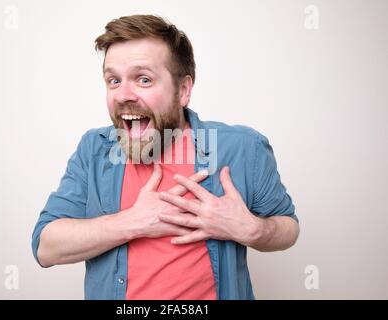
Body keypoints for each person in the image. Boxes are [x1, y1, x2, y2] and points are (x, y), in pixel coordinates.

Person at [31, 14, 299, 300]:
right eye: (113, 80)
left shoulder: (243, 148)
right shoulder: (94, 150)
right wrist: (132, 222)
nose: (122, 95)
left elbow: (288, 227)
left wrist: (253, 230)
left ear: (183, 90)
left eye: (143, 79)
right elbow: (45, 248)